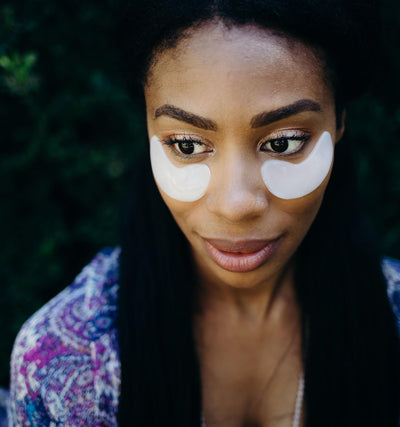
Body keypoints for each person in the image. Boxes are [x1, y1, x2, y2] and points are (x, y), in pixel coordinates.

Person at [8, 0, 400, 426]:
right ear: (147, 127)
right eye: (187, 145)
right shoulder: (65, 360)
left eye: (284, 142)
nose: (235, 205)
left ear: (339, 121)